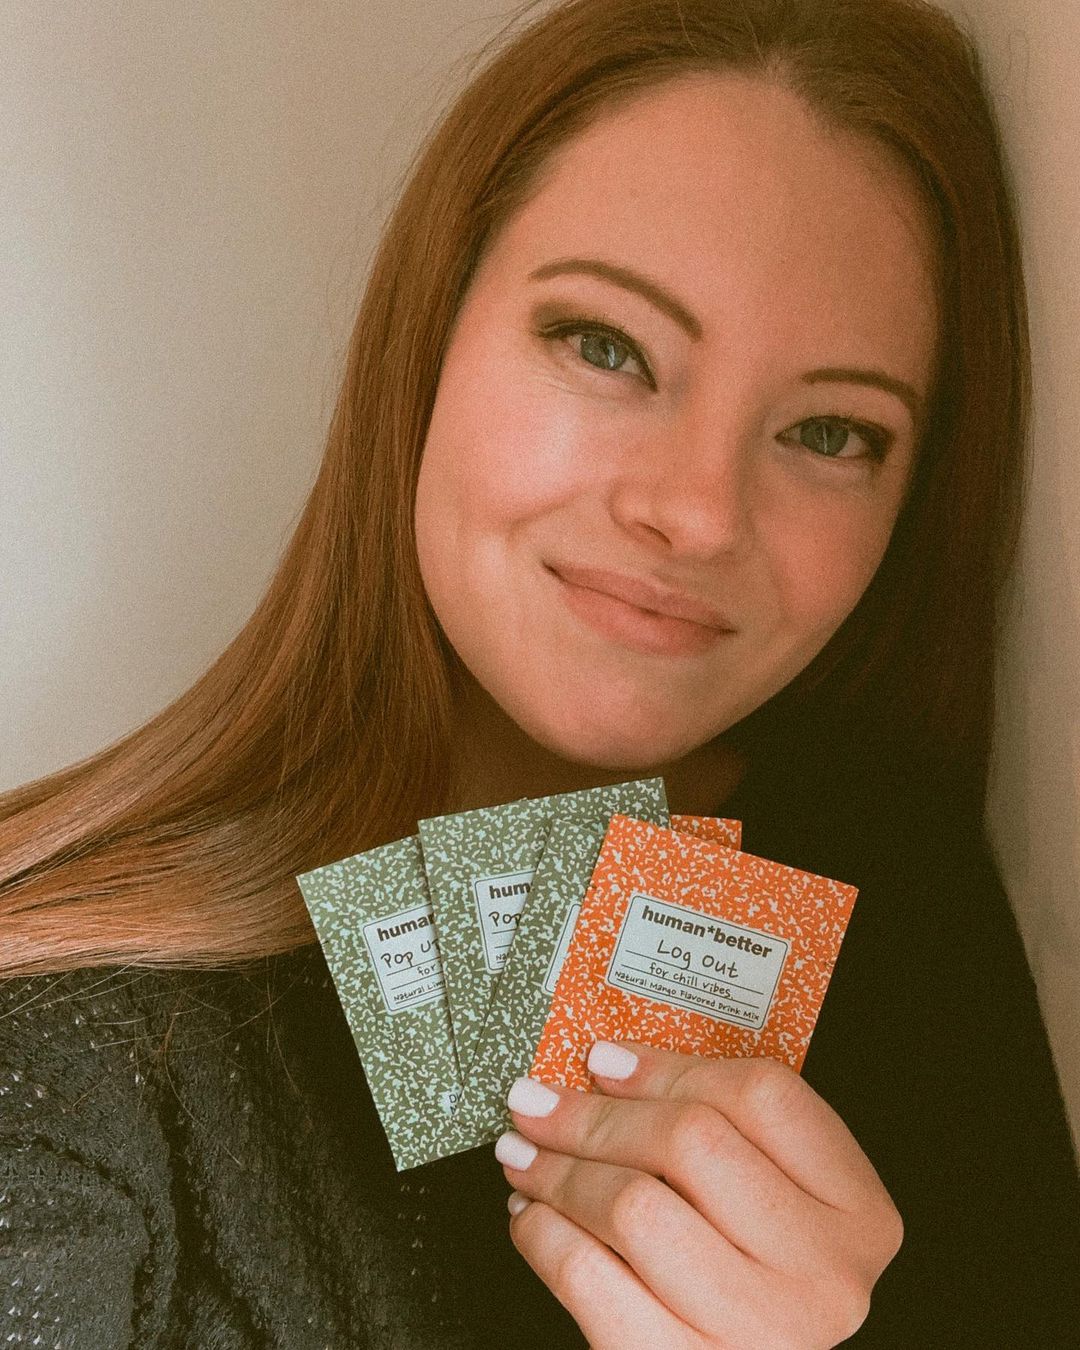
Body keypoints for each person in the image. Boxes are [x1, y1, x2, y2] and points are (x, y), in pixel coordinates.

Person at [1, 0, 1078, 1345]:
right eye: (607, 347)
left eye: (829, 431)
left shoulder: (909, 914)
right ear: (429, 338)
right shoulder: (58, 1045)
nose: (698, 513)